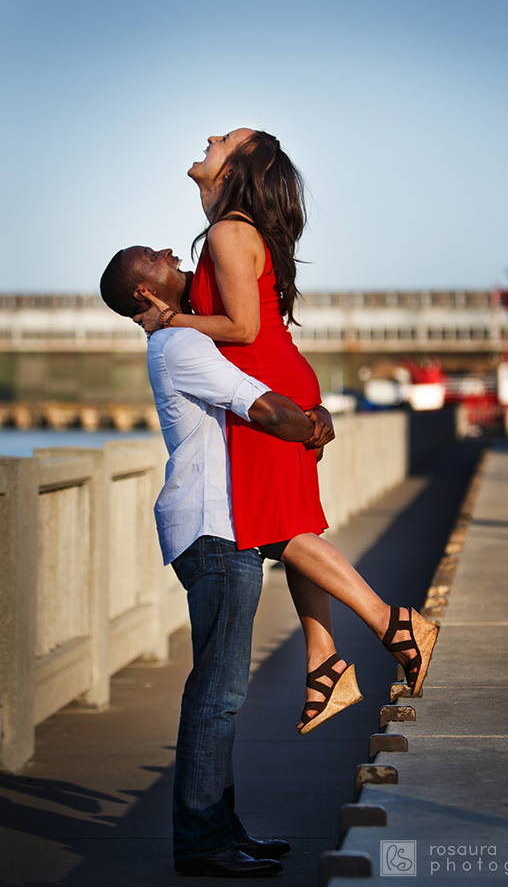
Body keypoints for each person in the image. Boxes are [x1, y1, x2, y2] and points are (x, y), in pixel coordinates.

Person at [132, 129, 439, 734]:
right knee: (288, 527)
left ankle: (395, 624)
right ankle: (323, 665)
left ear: (239, 168)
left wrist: (172, 317)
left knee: (273, 532)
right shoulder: (228, 222)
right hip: (277, 378)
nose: (212, 136)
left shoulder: (227, 230)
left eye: (227, 139)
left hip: (265, 383)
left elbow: (243, 328)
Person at [100, 251, 332, 876]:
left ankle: (222, 829)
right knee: (218, 694)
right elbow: (260, 406)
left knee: (219, 691)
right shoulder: (180, 345)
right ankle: (203, 843)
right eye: (159, 256)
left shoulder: (183, 335)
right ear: (147, 289)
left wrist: (310, 413)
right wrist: (310, 425)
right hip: (213, 530)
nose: (175, 254)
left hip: (220, 528)